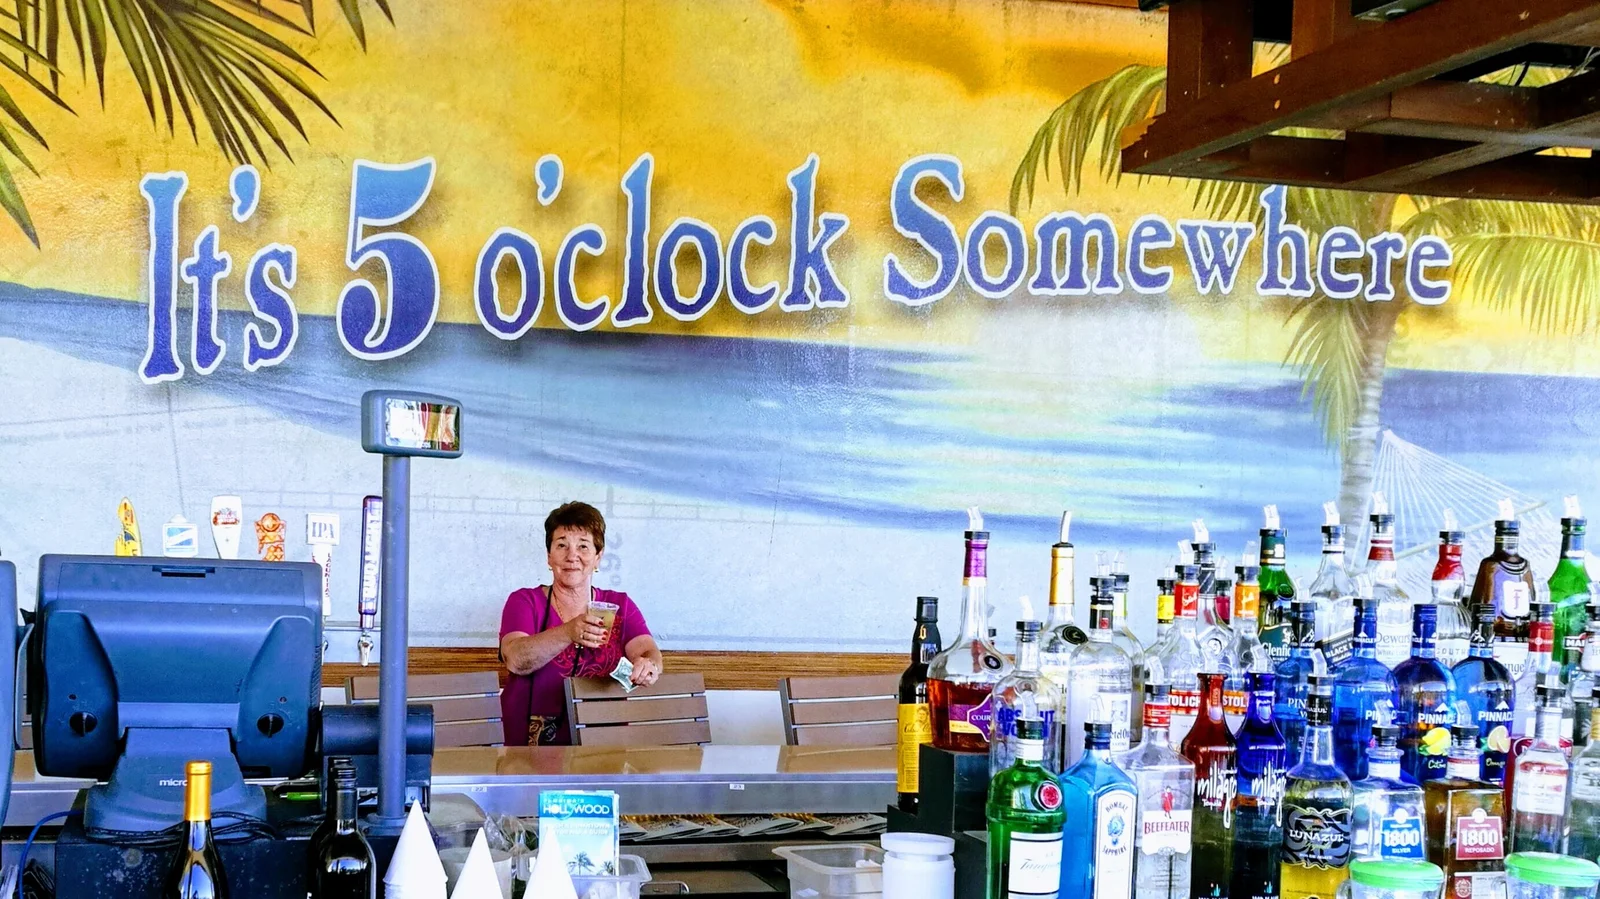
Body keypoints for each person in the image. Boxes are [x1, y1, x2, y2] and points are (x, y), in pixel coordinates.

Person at [499, 501, 663, 745]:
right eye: (561, 545)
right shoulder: (524, 601)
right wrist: (568, 632)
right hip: (527, 748)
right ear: (549, 556)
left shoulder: (620, 605)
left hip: (602, 742)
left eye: (583, 546)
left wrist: (648, 666)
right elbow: (516, 659)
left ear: (598, 558)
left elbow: (648, 652)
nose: (572, 556)